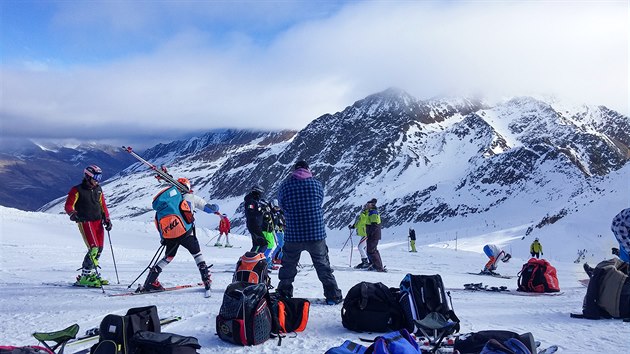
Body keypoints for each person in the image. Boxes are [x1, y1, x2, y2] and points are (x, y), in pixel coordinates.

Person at [277, 160, 343, 305]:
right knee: (322, 265)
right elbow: (319, 201)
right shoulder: (316, 184)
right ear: (308, 169)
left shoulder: (285, 185)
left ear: (294, 170)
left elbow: (281, 204)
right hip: (316, 233)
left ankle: (284, 294)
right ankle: (333, 295)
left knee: (288, 265)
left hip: (293, 233)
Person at [141, 177, 219, 297]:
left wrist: (164, 238)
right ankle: (206, 280)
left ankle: (151, 281)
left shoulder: (167, 203)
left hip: (170, 235)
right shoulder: (191, 197)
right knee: (197, 255)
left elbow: (158, 223)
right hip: (186, 233)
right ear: (187, 187)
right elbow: (210, 209)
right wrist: (216, 208)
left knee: (168, 257)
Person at [65, 165, 112, 287]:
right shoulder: (77, 190)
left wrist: (106, 219)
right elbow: (68, 205)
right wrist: (73, 214)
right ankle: (85, 276)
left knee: (100, 248)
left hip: (98, 222)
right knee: (93, 248)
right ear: (87, 176)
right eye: (96, 177)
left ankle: (90, 274)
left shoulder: (98, 189)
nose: (98, 180)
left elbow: (103, 205)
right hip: (86, 221)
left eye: (100, 177)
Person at [244, 185, 269, 254]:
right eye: (261, 193)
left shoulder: (254, 201)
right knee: (264, 244)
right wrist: (260, 211)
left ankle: (251, 261)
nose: (261, 195)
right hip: (254, 225)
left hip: (256, 225)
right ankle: (256, 262)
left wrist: (263, 212)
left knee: (257, 245)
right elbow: (250, 212)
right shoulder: (251, 201)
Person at [365, 198, 386, 272]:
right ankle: (374, 265)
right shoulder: (371, 212)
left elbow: (374, 224)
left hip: (373, 235)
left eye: (368, 204)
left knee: (372, 250)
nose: (366, 205)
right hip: (373, 234)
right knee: (371, 250)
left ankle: (378, 267)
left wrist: (371, 233)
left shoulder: (373, 212)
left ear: (372, 205)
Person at [271, 199, 286, 265]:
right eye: (276, 207)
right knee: (281, 245)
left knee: (282, 244)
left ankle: (277, 257)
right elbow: (275, 221)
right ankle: (276, 258)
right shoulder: (273, 213)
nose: (277, 209)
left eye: (278, 207)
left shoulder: (279, 212)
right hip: (278, 230)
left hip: (282, 229)